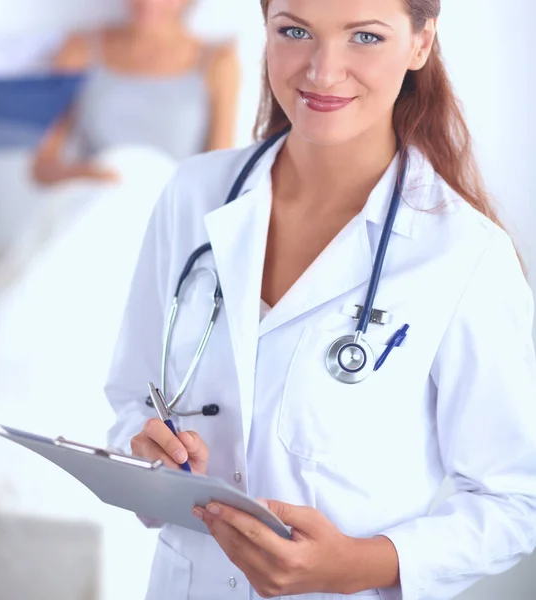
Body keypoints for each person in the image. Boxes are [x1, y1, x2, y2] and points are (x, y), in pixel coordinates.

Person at [104, 0, 536, 598]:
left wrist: (363, 565)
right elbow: (131, 397)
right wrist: (146, 450)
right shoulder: (193, 194)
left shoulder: (465, 255)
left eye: (364, 36)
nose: (323, 70)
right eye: (295, 31)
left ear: (420, 42)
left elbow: (514, 500)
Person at [31, 0, 240, 185]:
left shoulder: (217, 63)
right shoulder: (79, 52)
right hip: (94, 206)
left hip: (172, 211)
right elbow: (42, 167)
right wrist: (90, 177)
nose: (148, 2)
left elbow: (218, 175)